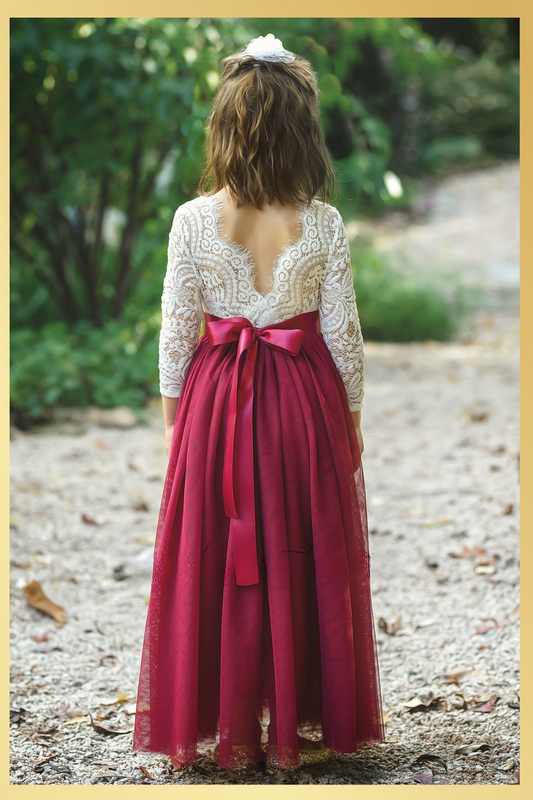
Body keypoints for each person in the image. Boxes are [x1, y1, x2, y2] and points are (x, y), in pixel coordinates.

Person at [132, 32, 385, 774]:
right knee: (298, 552)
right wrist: (351, 424)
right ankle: (291, 733)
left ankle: (231, 729)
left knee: (218, 551)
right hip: (302, 403)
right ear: (302, 133)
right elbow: (344, 337)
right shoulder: (324, 225)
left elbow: (175, 335)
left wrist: (180, 429)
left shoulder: (190, 219)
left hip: (217, 402)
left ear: (224, 128)